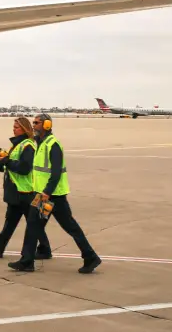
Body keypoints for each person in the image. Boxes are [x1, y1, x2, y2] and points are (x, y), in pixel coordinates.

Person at [9, 112, 102, 273]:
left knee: (69, 227)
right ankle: (27, 261)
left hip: (53, 196)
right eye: (33, 123)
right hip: (42, 195)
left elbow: (56, 172)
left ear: (47, 125)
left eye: (37, 123)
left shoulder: (53, 144)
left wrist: (47, 191)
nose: (34, 125)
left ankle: (90, 256)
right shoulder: (40, 143)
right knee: (33, 225)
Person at [0, 116, 52, 259]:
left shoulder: (28, 146)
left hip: (25, 191)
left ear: (24, 129)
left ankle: (44, 249)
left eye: (16, 127)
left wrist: (7, 161)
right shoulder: (16, 145)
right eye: (13, 127)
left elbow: (24, 168)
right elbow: (8, 167)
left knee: (31, 222)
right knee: (12, 221)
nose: (14, 129)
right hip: (16, 191)